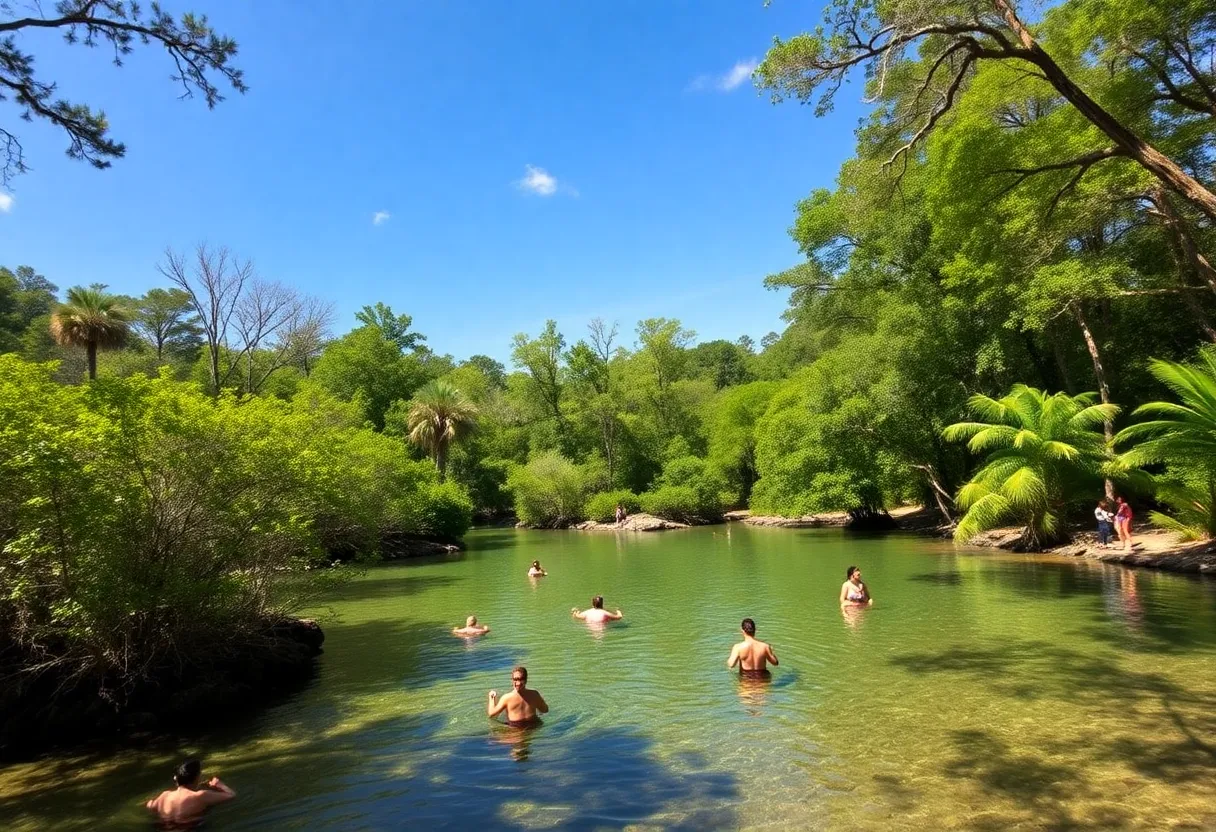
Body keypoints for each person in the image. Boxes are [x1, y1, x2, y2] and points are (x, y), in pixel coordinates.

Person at [145, 759, 236, 827]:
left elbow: (150, 805)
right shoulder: (200, 796)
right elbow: (231, 795)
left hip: (164, 828)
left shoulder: (164, 795)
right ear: (197, 777)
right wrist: (219, 785)